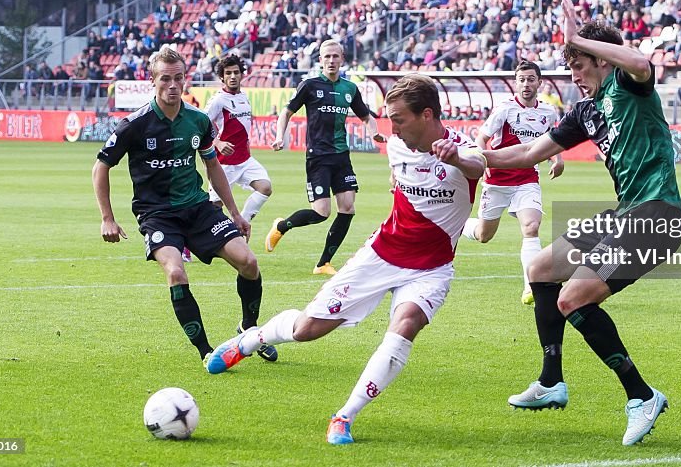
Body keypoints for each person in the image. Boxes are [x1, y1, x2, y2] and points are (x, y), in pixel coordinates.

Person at [204, 74, 486, 446]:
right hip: (381, 255)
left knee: (405, 324)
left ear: (427, 114)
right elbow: (400, 176)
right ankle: (251, 339)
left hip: (431, 269)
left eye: (399, 119)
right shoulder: (398, 147)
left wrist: (458, 159)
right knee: (307, 329)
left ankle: (344, 416)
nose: (392, 128)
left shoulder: (459, 150)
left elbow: (477, 165)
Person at [481, 0, 681, 446]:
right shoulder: (585, 111)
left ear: (601, 59)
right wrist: (472, 158)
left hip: (657, 215)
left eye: (580, 65)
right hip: (624, 213)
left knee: (572, 299)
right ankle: (552, 381)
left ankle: (642, 395)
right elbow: (530, 153)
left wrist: (579, 37)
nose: (573, 76)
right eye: (570, 67)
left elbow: (640, 61)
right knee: (539, 270)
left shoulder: (632, 86)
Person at [92, 46, 277, 366]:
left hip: (198, 208)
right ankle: (208, 353)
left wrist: (235, 213)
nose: (173, 85)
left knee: (248, 262)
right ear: (152, 80)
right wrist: (107, 218)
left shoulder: (198, 121)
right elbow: (101, 167)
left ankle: (247, 329)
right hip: (157, 215)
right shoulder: (134, 124)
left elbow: (213, 166)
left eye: (179, 78)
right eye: (166, 79)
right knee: (176, 272)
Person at [266, 40, 385, 274]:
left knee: (348, 207)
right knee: (321, 212)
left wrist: (374, 132)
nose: (331, 61)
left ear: (342, 59)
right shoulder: (309, 86)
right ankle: (281, 226)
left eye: (335, 56)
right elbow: (286, 112)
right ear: (320, 60)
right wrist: (280, 136)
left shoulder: (349, 89)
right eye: (327, 56)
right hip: (318, 157)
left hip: (341, 156)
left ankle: (323, 263)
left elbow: (366, 116)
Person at [461, 61, 564, 305]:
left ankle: (531, 286)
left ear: (540, 82)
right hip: (497, 180)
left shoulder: (548, 112)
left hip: (527, 179)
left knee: (531, 227)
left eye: (531, 79)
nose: (526, 84)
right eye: (522, 80)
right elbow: (482, 138)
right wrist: (481, 162)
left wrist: (556, 159)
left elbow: (549, 140)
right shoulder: (505, 110)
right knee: (484, 235)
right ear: (515, 83)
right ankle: (461, 226)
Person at [205, 54, 273, 229]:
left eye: (236, 72)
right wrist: (218, 143)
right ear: (222, 77)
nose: (233, 76)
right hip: (224, 164)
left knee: (265, 187)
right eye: (228, 73)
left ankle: (242, 223)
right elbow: (201, 125)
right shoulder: (218, 100)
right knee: (213, 209)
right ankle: (187, 246)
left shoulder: (244, 97)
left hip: (245, 160)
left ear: (242, 74)